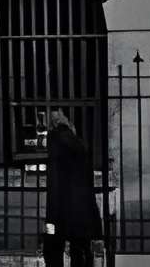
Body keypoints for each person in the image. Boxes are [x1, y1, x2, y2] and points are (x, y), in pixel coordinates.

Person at [41, 108, 104, 267]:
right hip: (81, 211)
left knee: (52, 247)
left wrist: (49, 225)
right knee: (81, 249)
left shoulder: (54, 142)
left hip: (58, 211)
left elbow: (54, 184)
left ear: (53, 124)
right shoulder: (81, 146)